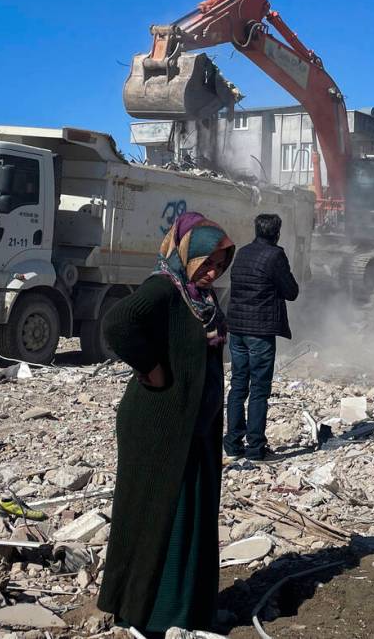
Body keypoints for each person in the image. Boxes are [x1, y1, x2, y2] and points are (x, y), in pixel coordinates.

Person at [97, 212, 234, 637]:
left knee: (191, 514)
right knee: (159, 515)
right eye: (206, 261)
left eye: (220, 263)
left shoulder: (200, 297)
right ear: (185, 255)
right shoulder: (165, 288)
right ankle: (150, 615)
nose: (213, 271)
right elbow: (117, 324)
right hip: (159, 426)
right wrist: (152, 368)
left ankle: (188, 610)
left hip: (193, 427)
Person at [224, 213, 299, 460]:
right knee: (258, 389)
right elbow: (291, 292)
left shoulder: (243, 252)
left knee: (237, 386)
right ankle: (255, 448)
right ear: (277, 233)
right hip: (260, 332)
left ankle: (233, 445)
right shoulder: (275, 255)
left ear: (256, 230)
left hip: (237, 330)